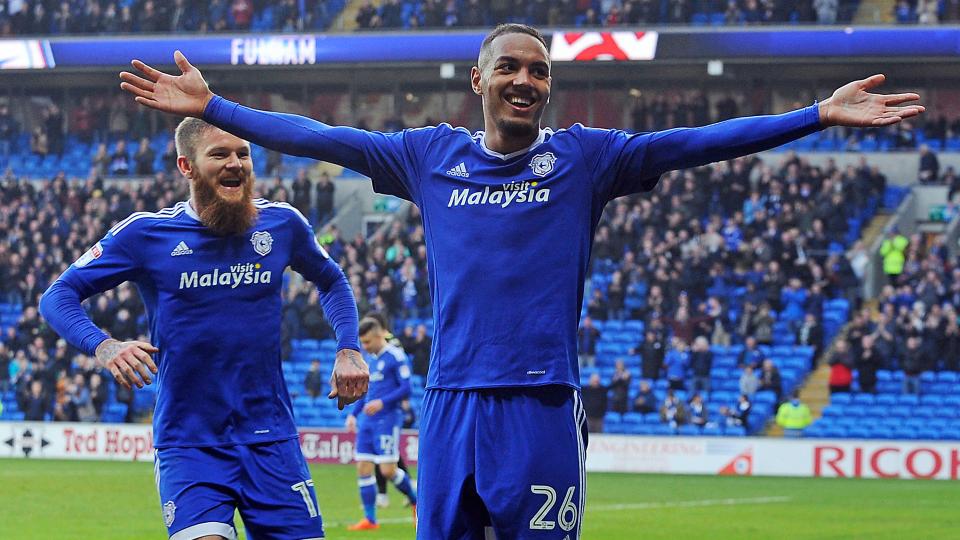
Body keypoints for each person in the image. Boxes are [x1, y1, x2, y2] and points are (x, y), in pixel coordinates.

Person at [119, 23, 923, 538]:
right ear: (479, 81)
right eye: (508, 66)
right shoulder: (429, 156)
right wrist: (219, 108)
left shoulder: (585, 158)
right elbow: (322, 137)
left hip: (540, 402)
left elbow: (696, 142)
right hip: (450, 405)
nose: (525, 80)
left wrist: (815, 115)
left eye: (538, 71)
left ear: (547, 87)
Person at [38, 117, 369, 540]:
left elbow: (332, 280)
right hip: (189, 443)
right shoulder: (146, 234)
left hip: (270, 439)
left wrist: (348, 348)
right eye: (219, 154)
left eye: (243, 153)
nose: (235, 163)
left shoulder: (282, 224)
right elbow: (57, 295)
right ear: (187, 166)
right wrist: (104, 346)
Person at [344, 317, 417, 530]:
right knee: (363, 467)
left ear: (378, 335)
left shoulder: (395, 355)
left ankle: (416, 501)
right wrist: (353, 414)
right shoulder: (370, 359)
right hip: (367, 421)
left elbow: (407, 388)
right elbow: (365, 392)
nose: (365, 346)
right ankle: (370, 519)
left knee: (387, 471)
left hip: (388, 419)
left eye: (367, 341)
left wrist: (382, 402)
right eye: (362, 342)